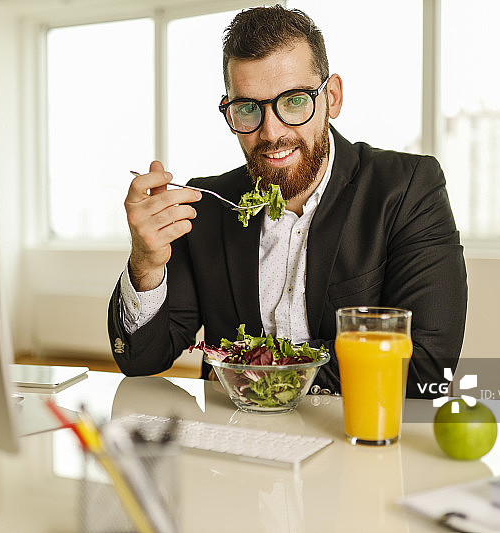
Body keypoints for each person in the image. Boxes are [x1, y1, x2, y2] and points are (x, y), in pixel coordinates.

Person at [107, 5, 467, 397]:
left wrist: (255, 371)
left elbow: (428, 364)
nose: (271, 132)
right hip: (234, 432)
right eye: (248, 108)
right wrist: (146, 263)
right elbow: (142, 360)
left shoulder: (407, 188)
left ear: (331, 97)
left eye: (294, 101)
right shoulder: (209, 206)